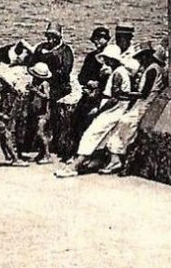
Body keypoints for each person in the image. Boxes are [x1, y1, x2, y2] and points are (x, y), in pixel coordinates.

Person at [67, 45, 138, 175]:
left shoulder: (117, 73)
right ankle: (97, 161)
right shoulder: (121, 72)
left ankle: (75, 166)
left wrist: (100, 111)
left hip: (112, 108)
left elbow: (114, 98)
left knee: (92, 134)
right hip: (118, 107)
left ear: (111, 60)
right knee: (104, 135)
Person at [29, 23, 77, 158]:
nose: (50, 41)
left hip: (58, 87)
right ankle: (39, 146)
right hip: (40, 83)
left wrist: (50, 75)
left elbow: (66, 71)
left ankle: (49, 148)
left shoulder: (66, 51)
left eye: (53, 38)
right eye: (48, 37)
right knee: (36, 114)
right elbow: (32, 64)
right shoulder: (40, 48)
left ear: (58, 38)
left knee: (49, 116)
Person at [69, 26, 113, 158]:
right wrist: (89, 82)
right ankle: (76, 151)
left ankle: (90, 154)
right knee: (77, 117)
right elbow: (81, 77)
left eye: (102, 38)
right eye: (96, 39)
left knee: (91, 117)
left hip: (103, 95)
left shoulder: (112, 58)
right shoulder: (91, 57)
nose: (99, 41)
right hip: (90, 93)